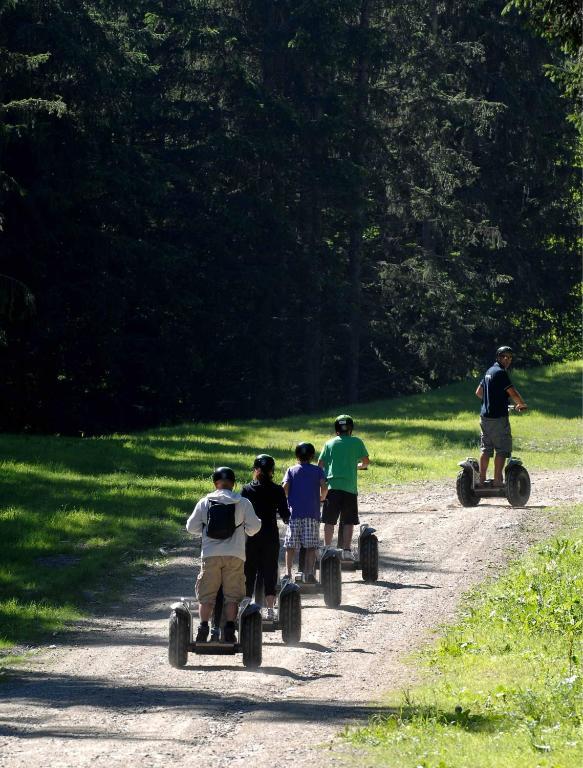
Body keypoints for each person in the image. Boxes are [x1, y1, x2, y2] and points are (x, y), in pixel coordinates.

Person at [186, 467, 261, 643]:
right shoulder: (243, 503)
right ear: (233, 484)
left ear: (215, 483)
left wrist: (205, 531)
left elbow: (191, 527)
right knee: (232, 595)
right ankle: (228, 629)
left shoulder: (205, 502)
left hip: (210, 554)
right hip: (235, 555)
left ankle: (203, 628)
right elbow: (254, 528)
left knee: (206, 595)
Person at [241, 454, 290, 620]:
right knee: (269, 571)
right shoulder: (277, 490)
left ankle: (246, 606)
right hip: (270, 536)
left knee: (249, 571)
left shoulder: (246, 489)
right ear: (272, 471)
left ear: (255, 470)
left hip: (250, 537)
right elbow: (285, 515)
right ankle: (270, 610)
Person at [318, 414, 369, 560]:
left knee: (329, 520)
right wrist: (358, 466)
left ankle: (327, 548)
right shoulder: (357, 442)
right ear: (351, 429)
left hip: (332, 487)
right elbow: (366, 462)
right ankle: (346, 550)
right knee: (348, 520)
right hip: (349, 488)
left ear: (336, 429)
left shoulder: (329, 443)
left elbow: (320, 465)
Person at [475, 346, 528, 486]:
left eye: (510, 357)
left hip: (484, 417)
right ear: (498, 357)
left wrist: (491, 401)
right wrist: (521, 404)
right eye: (504, 356)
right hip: (498, 418)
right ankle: (498, 480)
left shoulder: (489, 371)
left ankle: (481, 480)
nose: (507, 359)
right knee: (502, 449)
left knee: (486, 448)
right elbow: (513, 393)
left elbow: (479, 392)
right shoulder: (500, 373)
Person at [282, 442, 328, 582]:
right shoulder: (317, 470)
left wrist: (287, 498)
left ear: (297, 455)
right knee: (311, 546)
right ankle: (309, 573)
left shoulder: (291, 470)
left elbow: (285, 487)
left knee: (290, 545)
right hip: (311, 514)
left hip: (294, 514)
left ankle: (288, 573)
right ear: (312, 456)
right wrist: (322, 497)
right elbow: (324, 486)